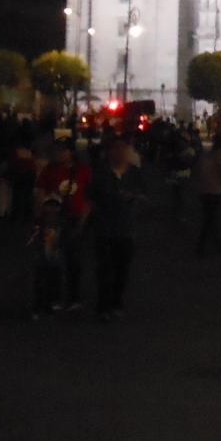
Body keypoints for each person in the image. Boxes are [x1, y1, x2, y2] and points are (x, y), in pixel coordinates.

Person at [88, 138, 144, 322]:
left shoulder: (134, 173)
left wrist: (134, 197)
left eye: (124, 149)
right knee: (104, 269)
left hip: (126, 228)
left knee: (122, 269)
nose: (121, 153)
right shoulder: (101, 173)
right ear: (110, 152)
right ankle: (103, 306)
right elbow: (91, 198)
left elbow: (144, 194)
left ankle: (116, 302)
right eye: (117, 149)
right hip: (104, 227)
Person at [36, 139, 91, 309]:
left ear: (71, 152)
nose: (58, 154)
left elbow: (89, 196)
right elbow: (40, 191)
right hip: (53, 220)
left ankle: (74, 297)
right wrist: (42, 214)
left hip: (75, 218)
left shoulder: (82, 170)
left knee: (74, 260)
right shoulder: (49, 170)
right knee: (52, 259)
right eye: (56, 150)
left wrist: (84, 218)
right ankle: (54, 297)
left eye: (62, 150)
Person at [27, 197, 65, 319]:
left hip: (54, 257)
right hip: (42, 257)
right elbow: (32, 239)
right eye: (49, 206)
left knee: (52, 282)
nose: (52, 210)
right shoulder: (39, 223)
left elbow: (64, 240)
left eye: (55, 207)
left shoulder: (61, 224)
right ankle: (38, 306)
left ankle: (48, 305)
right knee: (40, 282)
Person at [195, 135, 221, 254]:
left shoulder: (207, 157)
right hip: (214, 190)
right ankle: (205, 244)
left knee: (210, 217)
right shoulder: (220, 158)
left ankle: (216, 243)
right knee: (210, 219)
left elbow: (199, 171)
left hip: (204, 190)